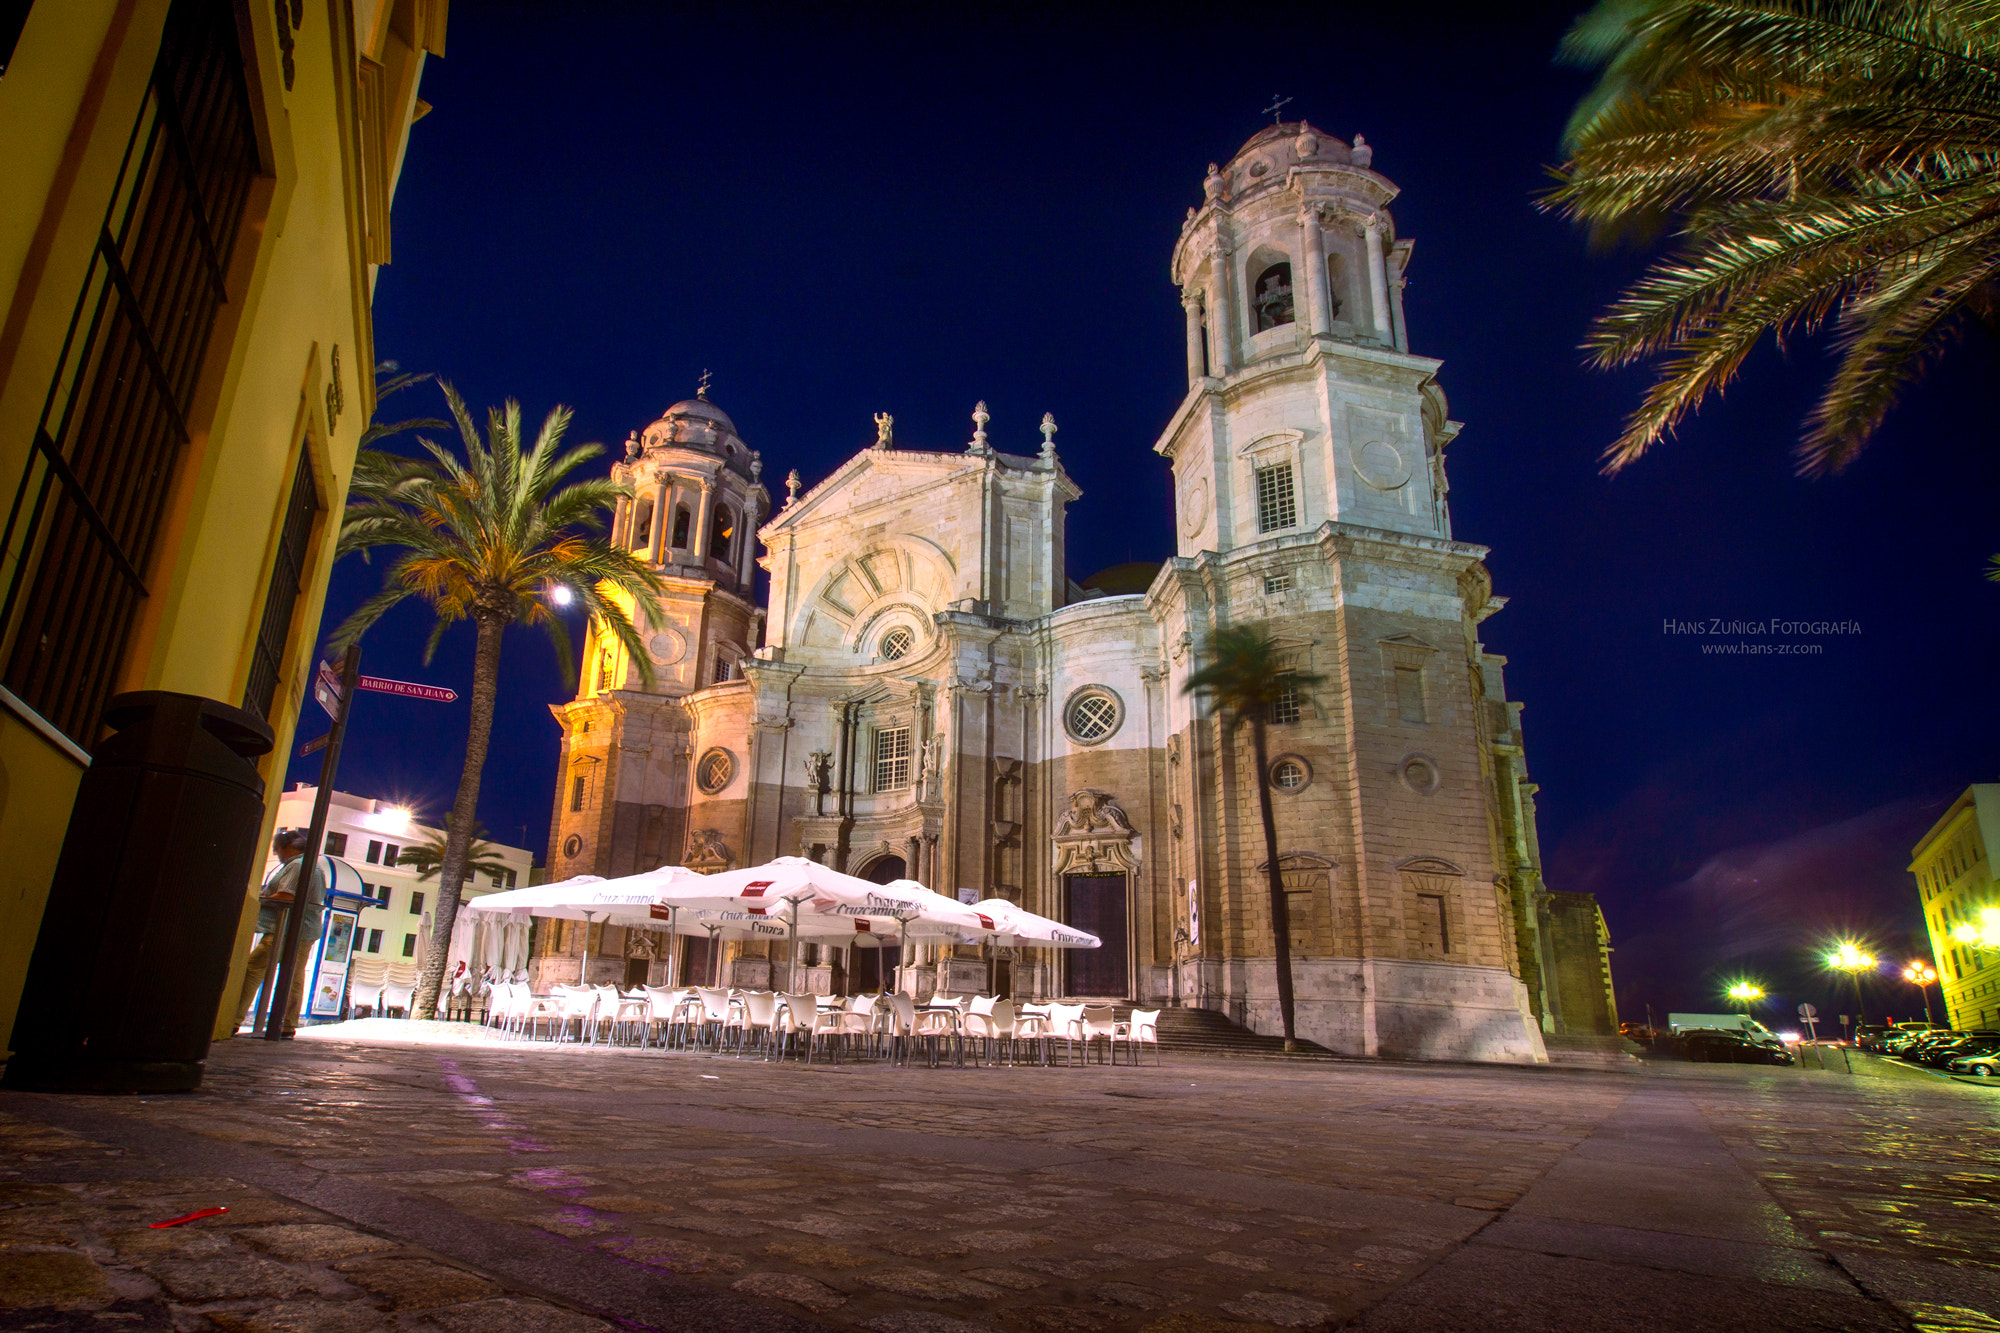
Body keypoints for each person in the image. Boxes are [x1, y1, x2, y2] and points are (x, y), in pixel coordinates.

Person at [233, 828, 329, 1036]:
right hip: (304, 930)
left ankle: (235, 1017)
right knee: (294, 975)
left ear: (288, 848)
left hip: (285, 929)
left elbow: (287, 895)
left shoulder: (296, 865)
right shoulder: (314, 866)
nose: (277, 854)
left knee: (254, 969)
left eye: (277, 850)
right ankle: (288, 1024)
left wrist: (262, 898)